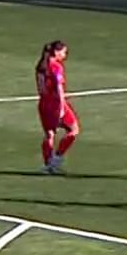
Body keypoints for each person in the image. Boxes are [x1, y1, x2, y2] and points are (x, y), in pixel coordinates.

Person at [34, 40, 79, 174]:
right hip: (56, 103)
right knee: (74, 130)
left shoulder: (40, 66)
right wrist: (61, 107)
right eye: (64, 52)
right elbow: (59, 89)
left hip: (43, 103)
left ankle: (48, 165)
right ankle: (57, 159)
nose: (65, 55)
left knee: (49, 134)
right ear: (56, 52)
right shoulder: (56, 67)